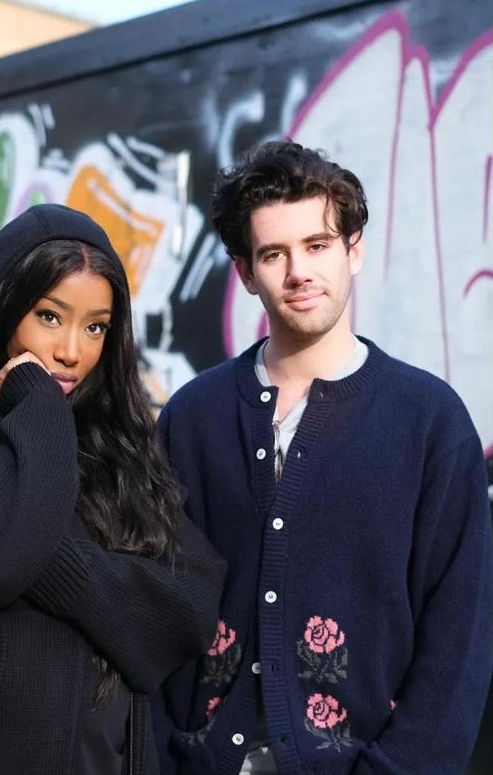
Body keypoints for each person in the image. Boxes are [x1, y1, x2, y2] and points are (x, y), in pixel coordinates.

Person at [152, 140, 493, 774]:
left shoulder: (429, 422)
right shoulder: (193, 418)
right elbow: (152, 604)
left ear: (352, 250)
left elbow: (460, 638)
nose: (299, 272)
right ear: (246, 273)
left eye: (317, 245)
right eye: (274, 254)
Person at [0, 203, 225, 775]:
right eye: (50, 316)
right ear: (3, 308)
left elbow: (186, 612)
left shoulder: (124, 453)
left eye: (96, 327)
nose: (72, 351)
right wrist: (40, 403)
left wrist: (36, 549)